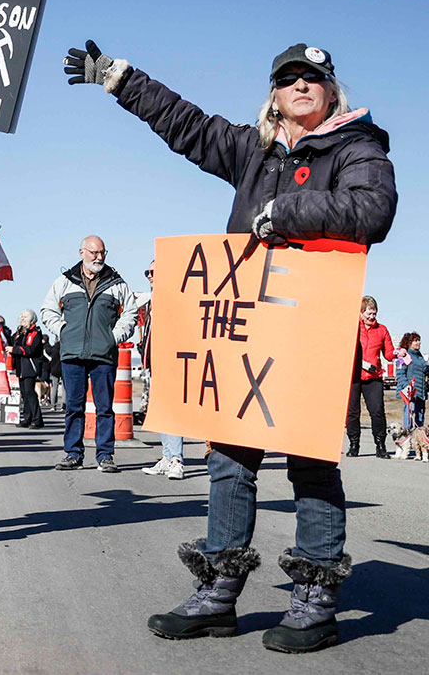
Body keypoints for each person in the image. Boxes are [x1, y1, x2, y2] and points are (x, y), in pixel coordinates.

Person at [65, 40, 395, 652]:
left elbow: (373, 210)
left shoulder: (358, 147)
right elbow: (186, 123)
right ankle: (219, 593)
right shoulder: (253, 149)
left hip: (312, 329)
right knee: (229, 458)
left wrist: (286, 213)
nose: (300, 85)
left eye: (313, 78)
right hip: (247, 328)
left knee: (312, 462)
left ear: (331, 91)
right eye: (288, 77)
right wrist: (120, 78)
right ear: (274, 92)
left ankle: (316, 598)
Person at [41, 235, 137, 472]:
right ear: (81, 252)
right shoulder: (64, 282)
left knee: (105, 407)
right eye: (94, 252)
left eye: (102, 252)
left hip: (103, 355)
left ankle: (105, 456)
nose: (99, 257)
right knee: (74, 406)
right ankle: (73, 453)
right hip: (72, 354)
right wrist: (63, 331)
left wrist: (114, 337)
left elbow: (131, 314)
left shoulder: (117, 283)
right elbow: (47, 310)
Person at [137, 259, 185, 481]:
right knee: (163, 412)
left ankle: (176, 460)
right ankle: (167, 457)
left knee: (173, 412)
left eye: (154, 272)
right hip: (155, 362)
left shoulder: (174, 299)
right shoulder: (151, 302)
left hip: (172, 362)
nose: (149, 275)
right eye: (148, 271)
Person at [345, 296, 395, 458]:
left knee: (377, 411)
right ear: (360, 313)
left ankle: (380, 446)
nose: (372, 316)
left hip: (373, 377)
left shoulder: (382, 330)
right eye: (369, 313)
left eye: (374, 313)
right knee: (352, 412)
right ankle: (354, 445)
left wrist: (397, 353)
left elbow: (388, 354)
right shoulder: (352, 328)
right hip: (353, 376)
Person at [10, 310, 44, 429]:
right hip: (21, 367)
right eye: (21, 316)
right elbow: (12, 341)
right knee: (24, 394)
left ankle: (37, 419)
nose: (22, 318)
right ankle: (27, 418)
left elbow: (29, 349)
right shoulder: (20, 332)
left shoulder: (34, 333)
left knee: (30, 393)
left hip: (30, 367)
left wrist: (14, 350)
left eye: (25, 317)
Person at [396, 332, 427, 432]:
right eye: (415, 341)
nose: (418, 343)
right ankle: (407, 436)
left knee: (420, 416)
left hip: (420, 391)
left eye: (419, 340)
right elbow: (400, 373)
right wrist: (407, 387)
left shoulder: (419, 356)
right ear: (408, 342)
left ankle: (419, 438)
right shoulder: (405, 355)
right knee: (409, 414)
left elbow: (424, 370)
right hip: (410, 392)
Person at [47, 339, 63, 412]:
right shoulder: (64, 348)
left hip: (54, 370)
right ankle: (64, 406)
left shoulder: (53, 349)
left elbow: (47, 352)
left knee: (54, 388)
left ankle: (53, 405)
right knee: (64, 389)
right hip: (63, 369)